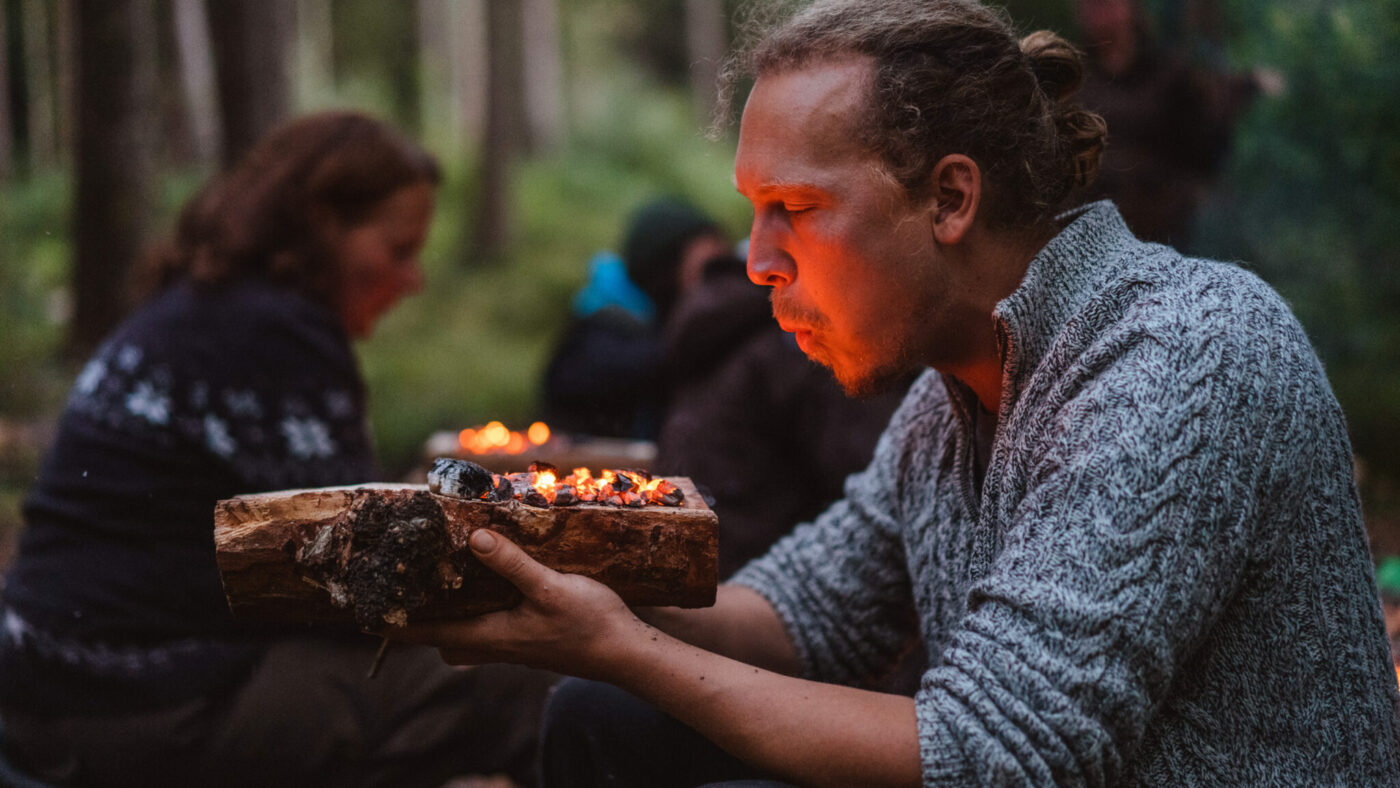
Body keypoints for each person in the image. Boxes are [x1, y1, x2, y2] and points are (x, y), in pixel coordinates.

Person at [389, 1, 1400, 785]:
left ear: (950, 198)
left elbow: (995, 756)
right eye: (752, 211)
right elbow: (797, 617)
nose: (754, 261)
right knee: (598, 717)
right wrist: (558, 562)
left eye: (793, 208)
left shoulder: (1182, 356)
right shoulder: (951, 396)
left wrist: (621, 644)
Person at [0, 111, 553, 787]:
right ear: (323, 221)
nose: (413, 281)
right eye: (399, 250)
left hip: (50, 675)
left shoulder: (202, 306)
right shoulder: (276, 331)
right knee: (526, 680)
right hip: (134, 702)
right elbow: (359, 585)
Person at [654, 246, 911, 581]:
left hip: (687, 560)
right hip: (759, 582)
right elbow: (878, 483)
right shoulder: (802, 347)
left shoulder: (711, 323)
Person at [1073, 0, 1282, 248]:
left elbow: (1203, 136)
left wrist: (1248, 86)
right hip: (1090, 228)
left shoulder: (1168, 73)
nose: (1098, 12)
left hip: (1159, 229)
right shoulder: (1073, 78)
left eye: (1106, 4)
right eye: (1090, 5)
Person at [540, 198, 732, 441]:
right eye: (708, 266)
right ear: (666, 263)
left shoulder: (668, 319)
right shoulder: (604, 329)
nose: (721, 279)